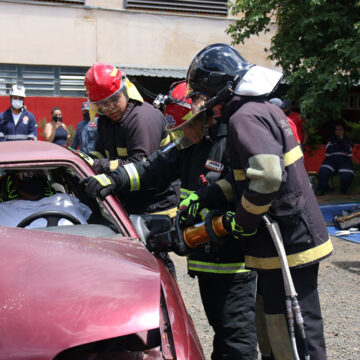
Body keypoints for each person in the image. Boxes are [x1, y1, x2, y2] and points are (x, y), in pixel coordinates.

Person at [81, 80, 258, 359]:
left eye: (186, 126)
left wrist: (207, 200)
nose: (182, 134)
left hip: (234, 263)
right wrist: (112, 179)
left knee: (236, 335)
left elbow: (244, 192)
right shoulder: (187, 145)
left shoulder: (229, 144)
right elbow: (150, 169)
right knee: (220, 329)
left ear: (203, 116)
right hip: (205, 258)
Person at [179, 43, 332, 359]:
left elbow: (267, 178)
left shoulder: (244, 117)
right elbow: (246, 179)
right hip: (286, 240)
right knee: (276, 326)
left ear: (219, 85)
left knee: (292, 334)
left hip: (286, 242)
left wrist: (241, 221)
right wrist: (209, 194)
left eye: (203, 93)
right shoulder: (258, 109)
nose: (203, 102)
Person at [82, 62, 179, 216]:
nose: (109, 108)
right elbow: (101, 153)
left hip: (158, 208)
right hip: (129, 205)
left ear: (125, 90)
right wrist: (85, 160)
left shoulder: (142, 118)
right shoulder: (105, 121)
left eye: (114, 99)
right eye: (102, 104)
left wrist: (98, 165)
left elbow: (140, 166)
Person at [316, 123, 354, 195]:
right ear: (335, 131)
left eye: (341, 129)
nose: (339, 131)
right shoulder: (331, 139)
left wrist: (339, 143)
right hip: (331, 159)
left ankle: (344, 189)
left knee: (347, 174)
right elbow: (329, 150)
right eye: (337, 129)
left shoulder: (348, 140)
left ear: (343, 130)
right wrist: (342, 147)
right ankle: (323, 188)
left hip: (344, 160)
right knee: (323, 170)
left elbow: (348, 150)